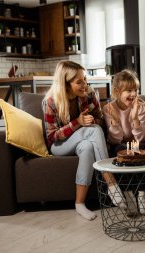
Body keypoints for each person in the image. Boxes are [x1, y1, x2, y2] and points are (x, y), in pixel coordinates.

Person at [42, 60, 126, 221]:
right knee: (92, 131)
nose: (85, 84)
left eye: (85, 79)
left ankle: (79, 203)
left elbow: (100, 120)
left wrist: (92, 121)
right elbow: (52, 137)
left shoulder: (89, 94)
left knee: (88, 146)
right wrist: (77, 123)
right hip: (59, 146)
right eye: (79, 82)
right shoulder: (51, 101)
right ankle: (111, 183)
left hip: (84, 140)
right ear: (65, 84)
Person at [102, 69, 145, 215]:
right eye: (129, 90)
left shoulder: (140, 106)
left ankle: (142, 199)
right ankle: (129, 198)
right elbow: (115, 139)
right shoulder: (108, 108)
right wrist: (115, 121)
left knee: (140, 152)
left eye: (135, 90)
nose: (133, 94)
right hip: (119, 144)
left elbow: (141, 137)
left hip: (137, 143)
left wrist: (135, 116)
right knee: (121, 150)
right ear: (117, 91)